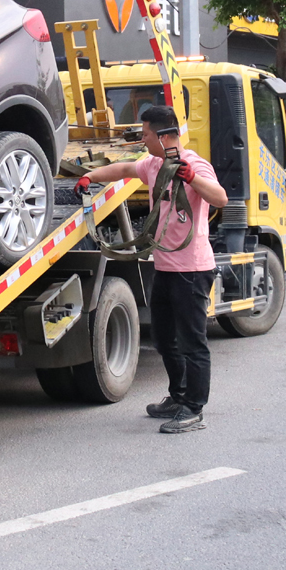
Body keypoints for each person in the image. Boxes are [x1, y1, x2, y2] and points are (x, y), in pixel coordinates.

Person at [78, 103, 228, 434]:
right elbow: (123, 170)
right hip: (165, 266)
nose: (143, 139)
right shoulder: (154, 164)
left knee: (192, 342)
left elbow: (220, 198)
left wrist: (192, 178)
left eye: (146, 134)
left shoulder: (194, 164)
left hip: (192, 269)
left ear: (163, 135)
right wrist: (89, 177)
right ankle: (178, 396)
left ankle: (193, 408)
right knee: (163, 338)